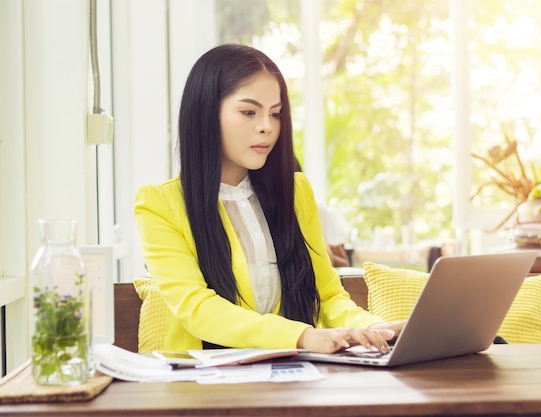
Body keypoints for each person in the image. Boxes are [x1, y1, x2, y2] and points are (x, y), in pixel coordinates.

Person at [134, 44, 404, 354]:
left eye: (275, 114)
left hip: (292, 376)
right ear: (206, 112)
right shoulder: (158, 205)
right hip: (201, 384)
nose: (266, 126)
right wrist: (302, 336)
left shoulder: (295, 191)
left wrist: (372, 328)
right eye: (249, 112)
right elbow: (197, 309)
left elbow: (328, 295)